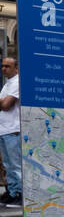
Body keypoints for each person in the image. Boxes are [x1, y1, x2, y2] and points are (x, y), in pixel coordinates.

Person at [0, 56, 20, 207]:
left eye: (7, 66)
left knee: (15, 164)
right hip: (4, 130)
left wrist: (2, 102)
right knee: (8, 165)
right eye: (3, 66)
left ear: (16, 68)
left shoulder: (17, 82)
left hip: (13, 129)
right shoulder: (6, 85)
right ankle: (12, 192)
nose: (4, 68)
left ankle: (19, 194)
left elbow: (6, 105)